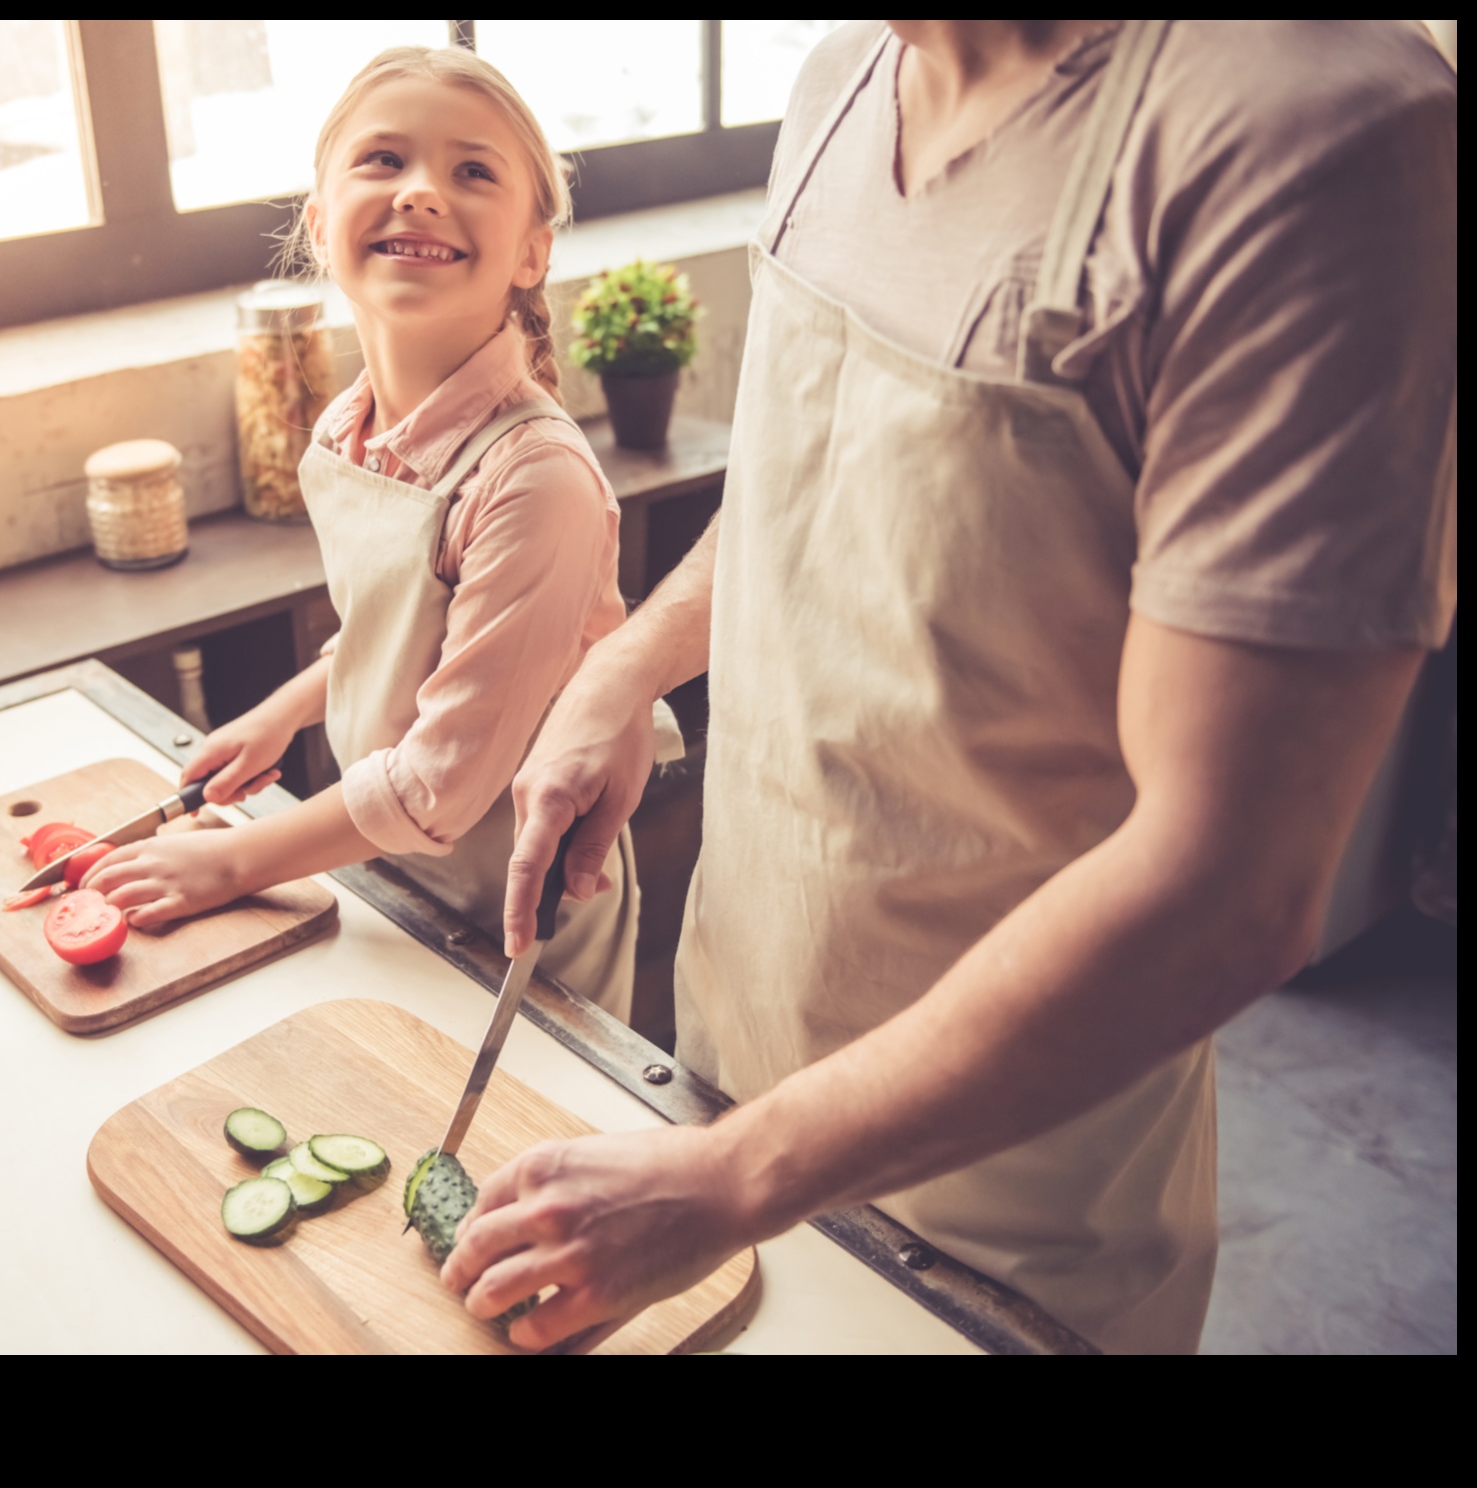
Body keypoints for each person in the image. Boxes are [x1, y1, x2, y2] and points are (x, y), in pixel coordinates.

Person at [453, 19, 1457, 1352]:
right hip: (731, 1054)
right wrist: (633, 662)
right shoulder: (839, 83)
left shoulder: (1314, 138)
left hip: (1003, 1208)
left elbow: (1230, 883)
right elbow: (832, 493)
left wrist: (736, 1178)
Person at [88, 47, 681, 1019]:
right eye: (382, 161)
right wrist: (280, 712)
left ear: (532, 253)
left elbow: (442, 787)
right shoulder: (343, 429)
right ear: (320, 227)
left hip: (518, 914)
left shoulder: (537, 480)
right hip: (382, 866)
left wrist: (230, 862)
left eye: (473, 172)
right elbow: (394, 634)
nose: (420, 194)